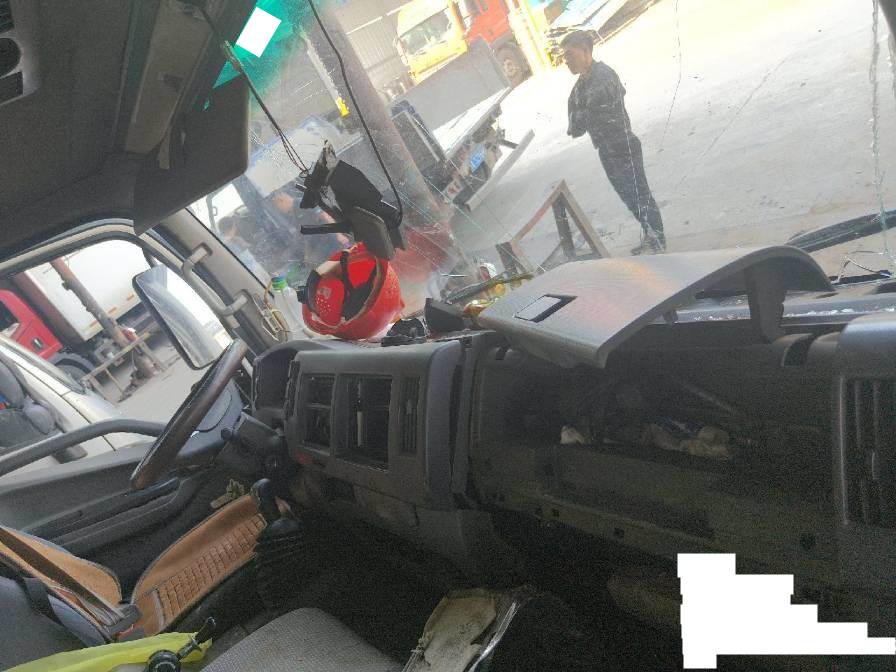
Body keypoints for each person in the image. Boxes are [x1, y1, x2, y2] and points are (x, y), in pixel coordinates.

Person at [561, 30, 666, 254]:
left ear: (586, 51)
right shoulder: (580, 87)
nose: (566, 60)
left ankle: (658, 238)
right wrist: (583, 113)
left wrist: (582, 113)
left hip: (623, 144)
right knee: (629, 198)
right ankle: (651, 234)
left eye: (570, 54)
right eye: (564, 56)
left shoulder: (604, 75)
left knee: (640, 194)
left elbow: (589, 113)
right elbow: (575, 127)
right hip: (606, 149)